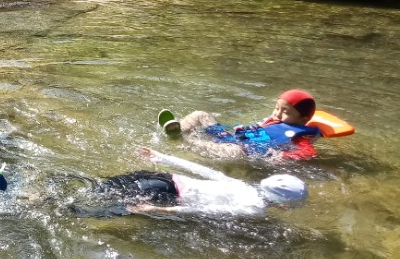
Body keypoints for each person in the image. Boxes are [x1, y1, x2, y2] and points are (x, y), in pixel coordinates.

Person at [68, 147, 308, 218]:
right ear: (283, 204)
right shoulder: (253, 209)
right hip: (161, 193)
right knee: (95, 207)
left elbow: (204, 170)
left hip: (164, 177)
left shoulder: (243, 185)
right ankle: (57, 206)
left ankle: (52, 185)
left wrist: (161, 157)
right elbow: (205, 210)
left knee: (95, 188)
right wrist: (159, 210)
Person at [162, 89, 323, 161]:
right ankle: (178, 128)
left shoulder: (298, 135)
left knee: (220, 148)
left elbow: (308, 152)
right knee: (201, 115)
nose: (277, 114)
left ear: (302, 120)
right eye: (277, 108)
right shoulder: (273, 121)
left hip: (242, 151)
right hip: (232, 138)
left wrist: (284, 156)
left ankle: (180, 139)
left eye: (285, 112)